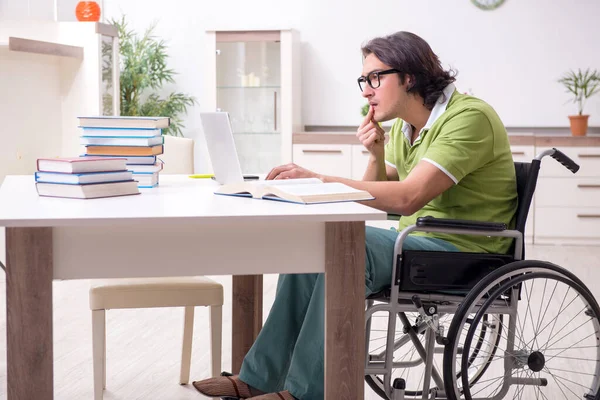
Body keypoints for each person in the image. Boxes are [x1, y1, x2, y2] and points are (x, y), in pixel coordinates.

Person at [192, 31, 517, 400]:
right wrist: (376, 156)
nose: (366, 90)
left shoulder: (468, 117)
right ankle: (260, 378)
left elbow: (408, 197)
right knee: (312, 240)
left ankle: (307, 393)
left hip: (466, 252)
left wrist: (320, 178)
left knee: (347, 249)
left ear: (409, 76)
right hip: (418, 244)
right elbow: (371, 197)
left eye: (376, 78)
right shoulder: (403, 129)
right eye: (364, 80)